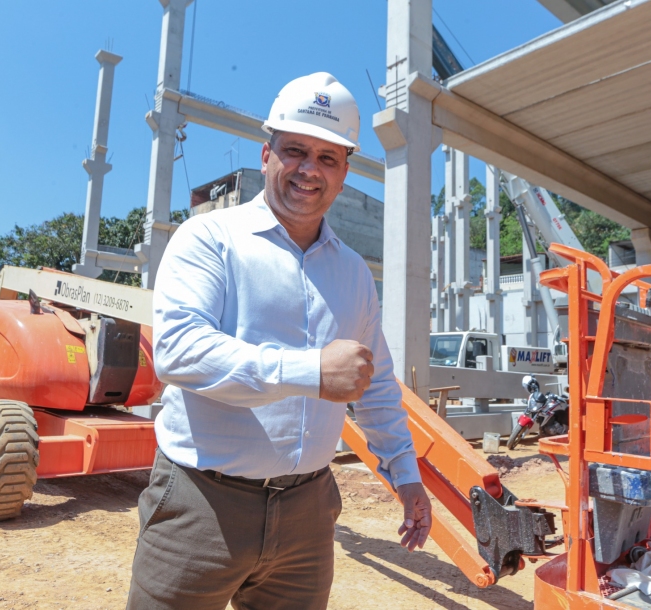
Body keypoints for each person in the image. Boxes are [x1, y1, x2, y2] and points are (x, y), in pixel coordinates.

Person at [127, 72, 432, 610]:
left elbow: (376, 384)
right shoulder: (210, 239)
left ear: (343, 173)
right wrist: (311, 371)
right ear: (267, 155)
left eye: (328, 158)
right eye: (295, 150)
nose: (309, 169)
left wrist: (405, 475)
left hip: (308, 514)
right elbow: (179, 350)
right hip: (202, 506)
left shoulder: (355, 273)